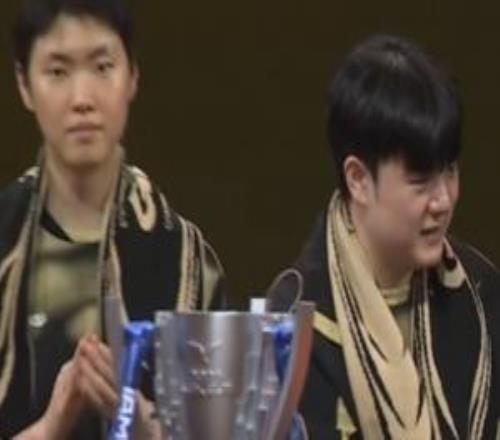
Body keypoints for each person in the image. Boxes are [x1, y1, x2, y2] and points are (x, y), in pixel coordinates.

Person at [0, 0, 225, 438]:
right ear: (24, 85)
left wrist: (141, 423)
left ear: (132, 76)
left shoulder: (186, 257)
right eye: (58, 72)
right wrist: (52, 425)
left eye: (103, 68)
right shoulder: (6, 244)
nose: (82, 99)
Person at [268, 35, 500, 439]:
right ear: (358, 179)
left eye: (449, 170)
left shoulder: (481, 292)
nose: (444, 200)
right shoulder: (294, 324)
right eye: (420, 180)